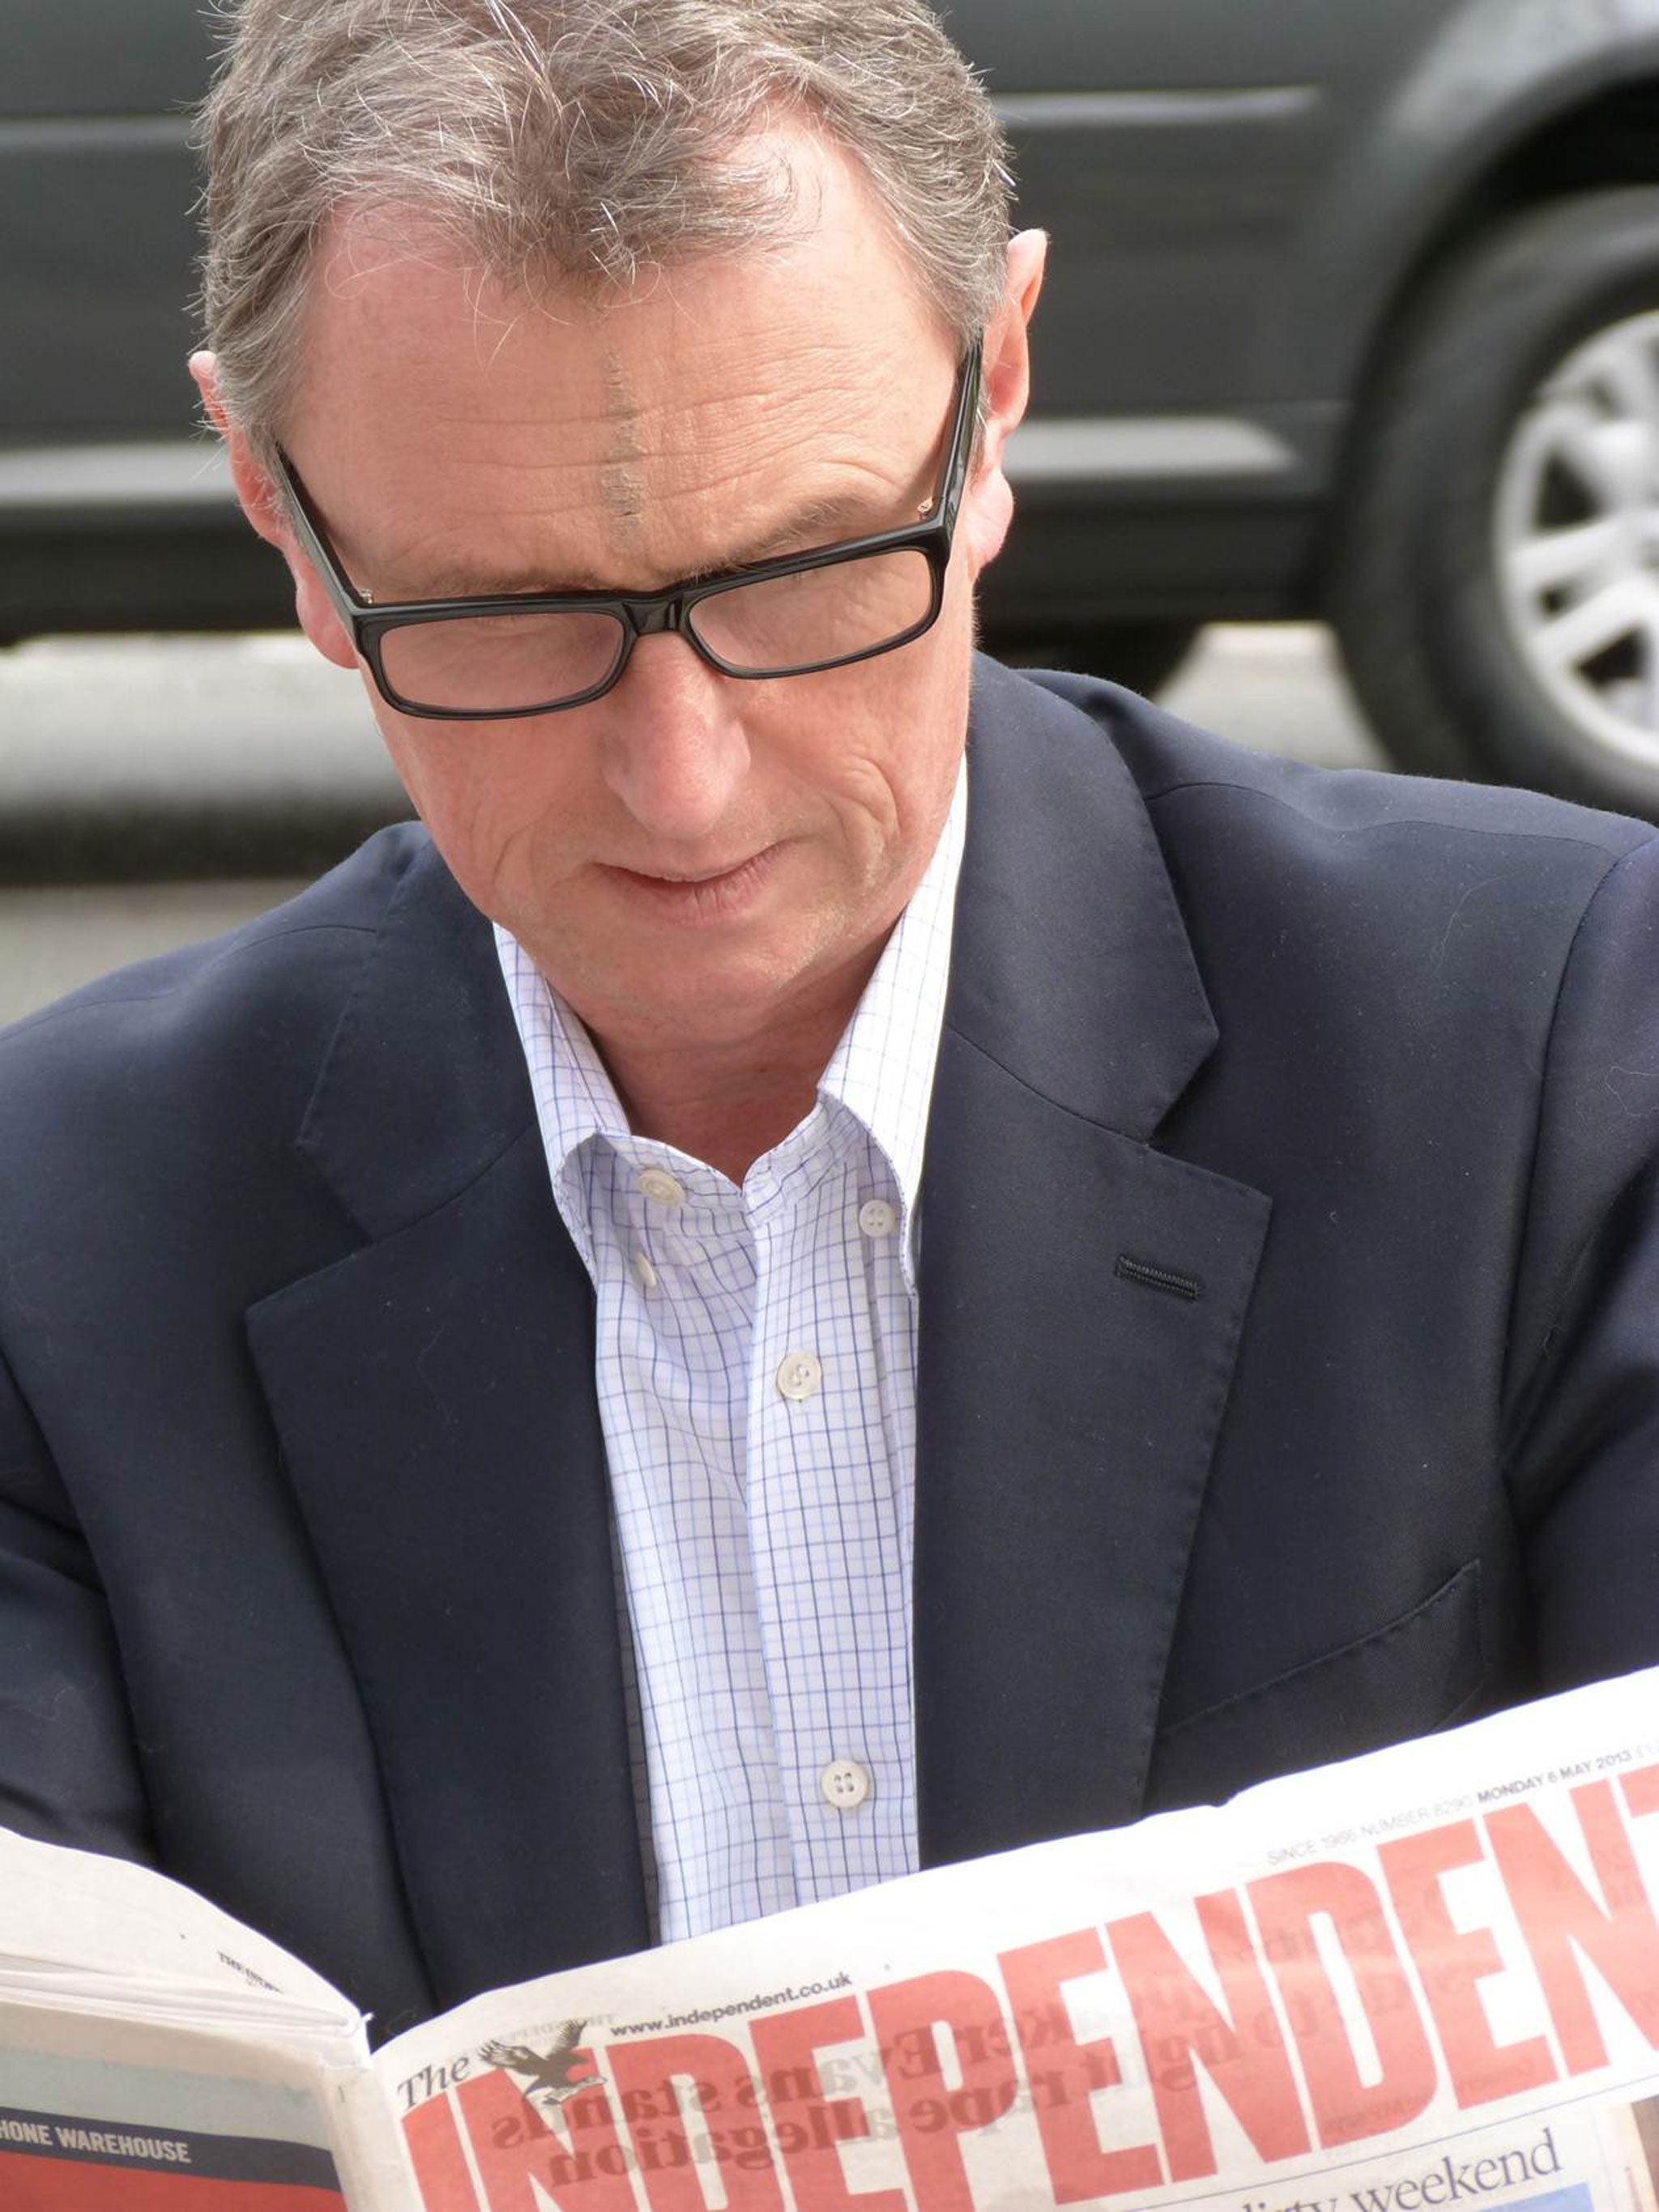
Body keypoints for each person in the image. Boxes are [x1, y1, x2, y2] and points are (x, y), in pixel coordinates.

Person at [2, 0, 1657, 2047]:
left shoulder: (1559, 1047)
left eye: (805, 570)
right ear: (282, 510)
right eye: (503, 615)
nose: (682, 781)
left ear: (999, 396)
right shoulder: (54, 1241)